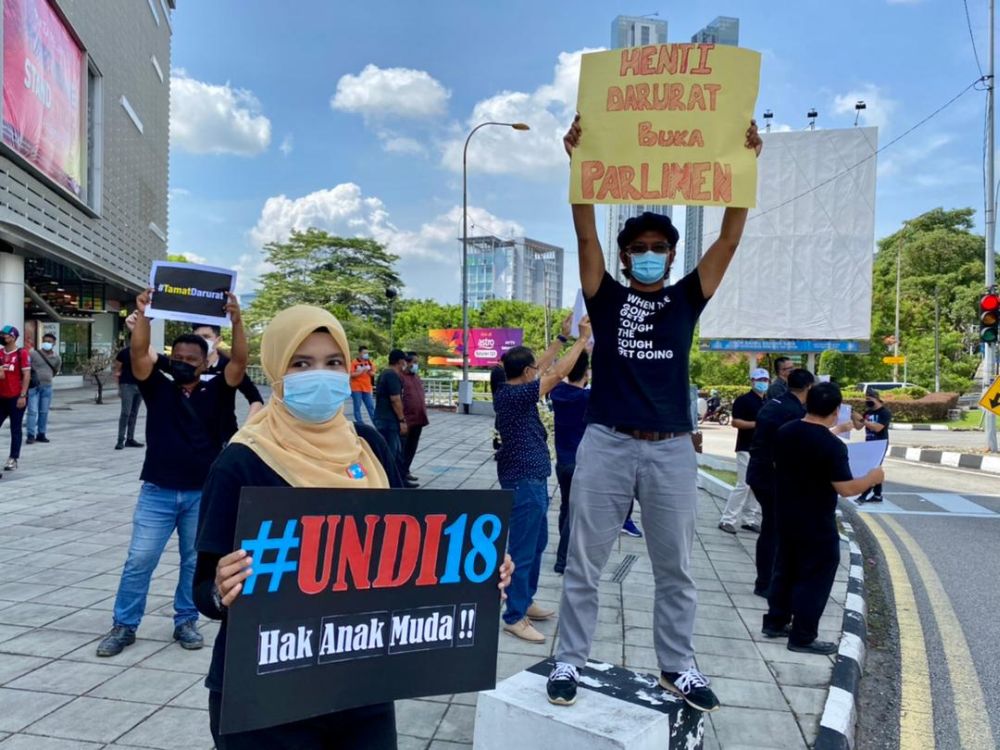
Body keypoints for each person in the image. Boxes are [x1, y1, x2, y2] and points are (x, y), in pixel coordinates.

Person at [193, 305, 513, 749]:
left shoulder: (370, 447)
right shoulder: (242, 460)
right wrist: (222, 590)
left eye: (333, 362)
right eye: (301, 363)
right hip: (266, 695)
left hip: (361, 687)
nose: (320, 375)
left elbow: (412, 550)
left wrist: (476, 574)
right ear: (276, 370)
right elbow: (205, 589)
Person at [547, 115, 762, 711]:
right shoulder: (606, 295)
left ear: (670, 257)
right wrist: (578, 166)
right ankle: (569, 661)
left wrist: (745, 170)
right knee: (585, 563)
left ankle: (678, 667)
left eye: (657, 249)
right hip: (607, 443)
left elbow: (728, 241)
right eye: (637, 249)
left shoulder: (686, 298)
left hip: (670, 448)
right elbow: (585, 237)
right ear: (623, 257)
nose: (646, 255)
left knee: (677, 569)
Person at [96, 287, 247, 658]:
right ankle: (124, 624)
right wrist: (144, 314)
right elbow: (137, 353)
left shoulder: (219, 390)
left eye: (190, 358)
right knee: (139, 560)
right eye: (176, 356)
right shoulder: (157, 388)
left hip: (201, 494)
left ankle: (186, 620)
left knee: (194, 562)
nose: (182, 362)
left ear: (205, 362)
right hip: (158, 492)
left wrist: (237, 320)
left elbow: (240, 362)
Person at [763, 382, 884, 654]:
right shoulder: (831, 446)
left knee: (785, 567)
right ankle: (803, 636)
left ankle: (775, 621)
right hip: (816, 519)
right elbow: (846, 488)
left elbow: (776, 463)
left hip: (785, 512)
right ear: (837, 409)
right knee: (815, 576)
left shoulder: (786, 431)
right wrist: (872, 478)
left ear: (807, 402)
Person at [495, 316, 591, 643]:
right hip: (524, 482)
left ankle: (525, 599)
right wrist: (582, 341)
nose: (538, 369)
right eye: (532, 369)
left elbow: (544, 366)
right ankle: (514, 616)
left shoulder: (513, 386)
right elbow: (557, 373)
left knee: (537, 544)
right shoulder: (515, 396)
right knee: (521, 551)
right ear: (524, 375)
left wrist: (563, 339)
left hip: (534, 480)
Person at [746, 369, 815, 598]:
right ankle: (766, 583)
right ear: (808, 387)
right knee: (774, 531)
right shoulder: (794, 411)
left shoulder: (774, 403)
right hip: (772, 476)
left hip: (758, 472)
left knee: (770, 528)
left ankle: (764, 580)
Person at [549, 350, 590, 574]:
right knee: (575, 512)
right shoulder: (587, 398)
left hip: (562, 462)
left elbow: (558, 375)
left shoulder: (557, 393)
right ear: (586, 373)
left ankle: (563, 552)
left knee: (566, 506)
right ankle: (563, 560)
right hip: (580, 463)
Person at [718, 368, 770, 535]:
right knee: (744, 484)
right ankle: (727, 519)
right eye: (760, 379)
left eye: (766, 380)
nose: (763, 383)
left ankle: (749, 519)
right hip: (746, 447)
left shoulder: (768, 401)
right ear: (752, 381)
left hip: (763, 449)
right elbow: (736, 422)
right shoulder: (744, 400)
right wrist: (757, 424)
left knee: (757, 485)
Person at [192, 323, 265, 440]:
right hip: (191, 437)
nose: (201, 341)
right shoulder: (186, 365)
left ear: (218, 339)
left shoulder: (230, 367)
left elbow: (256, 400)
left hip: (224, 437)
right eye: (197, 337)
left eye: (206, 336)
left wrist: (245, 430)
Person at [374, 349, 416, 488]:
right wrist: (402, 420)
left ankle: (399, 481)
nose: (406, 363)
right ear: (400, 361)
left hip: (383, 418)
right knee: (391, 453)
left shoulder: (386, 374)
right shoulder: (392, 375)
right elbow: (395, 399)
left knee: (396, 452)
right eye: (405, 360)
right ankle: (390, 483)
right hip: (388, 420)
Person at [0, 325, 31, 474]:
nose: (2, 338)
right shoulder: (0, 353)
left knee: (15, 428)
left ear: (12, 337)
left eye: (4, 335)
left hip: (16, 397)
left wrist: (23, 395)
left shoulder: (21, 353)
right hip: (1, 397)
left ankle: (13, 457)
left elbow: (26, 375)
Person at [854, 389, 891, 503]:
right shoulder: (868, 412)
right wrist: (853, 417)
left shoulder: (884, 412)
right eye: (866, 399)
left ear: (876, 399)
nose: (867, 402)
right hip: (869, 443)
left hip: (880, 443)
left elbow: (877, 428)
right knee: (875, 468)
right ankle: (878, 495)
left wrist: (861, 419)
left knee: (872, 469)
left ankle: (863, 496)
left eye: (869, 399)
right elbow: (858, 427)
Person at [26, 332, 61, 444]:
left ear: (54, 343)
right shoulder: (33, 354)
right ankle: (31, 435)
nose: (46, 343)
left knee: (44, 412)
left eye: (49, 342)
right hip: (33, 387)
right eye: (45, 341)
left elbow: (55, 370)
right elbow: (27, 369)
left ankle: (41, 434)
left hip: (47, 387)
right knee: (32, 411)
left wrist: (47, 377)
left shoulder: (57, 358)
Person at [400, 351, 429, 482]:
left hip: (419, 418)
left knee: (412, 447)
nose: (416, 365)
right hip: (407, 419)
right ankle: (401, 473)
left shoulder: (416, 377)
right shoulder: (400, 378)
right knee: (403, 448)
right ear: (406, 363)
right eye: (414, 362)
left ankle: (406, 470)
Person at [350, 346, 377, 425]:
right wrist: (362, 371)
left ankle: (376, 424)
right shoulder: (354, 362)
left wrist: (368, 371)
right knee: (357, 407)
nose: (366, 354)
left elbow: (373, 373)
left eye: (367, 353)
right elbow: (352, 374)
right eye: (364, 353)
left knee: (370, 407)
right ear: (360, 353)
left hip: (367, 388)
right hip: (356, 388)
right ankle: (360, 424)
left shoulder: (369, 362)